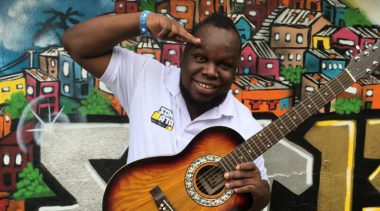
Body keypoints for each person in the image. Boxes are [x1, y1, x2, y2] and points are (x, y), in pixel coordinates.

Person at [62, 11, 271, 210]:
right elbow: (75, 43)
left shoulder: (245, 128)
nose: (210, 71)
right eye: (200, 58)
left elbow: (250, 201)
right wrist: (143, 21)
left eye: (224, 65)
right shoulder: (145, 77)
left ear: (235, 70)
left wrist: (259, 191)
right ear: (184, 54)